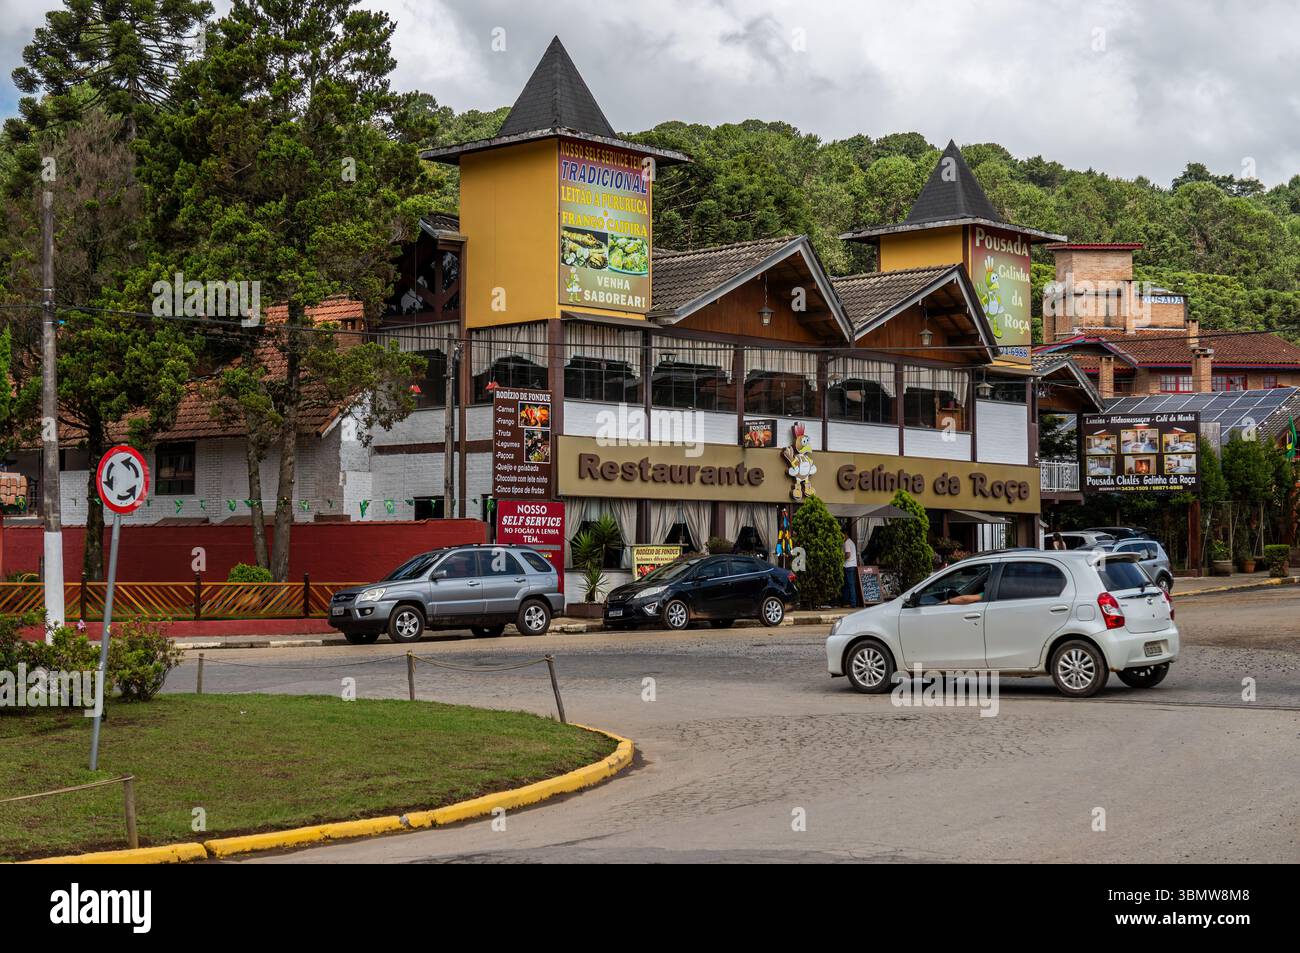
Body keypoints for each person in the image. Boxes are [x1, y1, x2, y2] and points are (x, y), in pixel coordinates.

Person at [842, 527, 859, 607]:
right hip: (852, 565)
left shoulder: (847, 543)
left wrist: (841, 558)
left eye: (841, 535)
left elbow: (848, 555)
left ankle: (853, 603)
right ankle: (846, 602)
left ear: (845, 534)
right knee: (848, 585)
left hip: (848, 566)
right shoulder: (851, 542)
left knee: (850, 585)